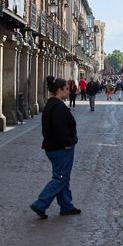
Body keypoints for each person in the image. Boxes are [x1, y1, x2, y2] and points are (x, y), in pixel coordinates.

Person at [30, 76, 80, 219]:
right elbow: (59, 129)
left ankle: (66, 205)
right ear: (59, 90)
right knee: (60, 178)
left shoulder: (51, 104)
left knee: (62, 177)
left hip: (53, 147)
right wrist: (66, 143)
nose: (68, 91)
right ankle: (40, 203)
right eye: (66, 89)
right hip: (60, 148)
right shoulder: (57, 107)